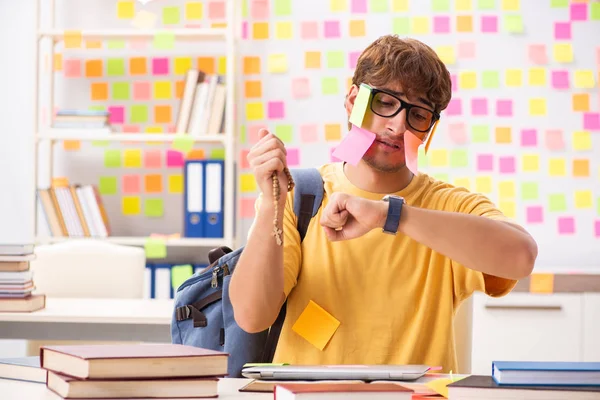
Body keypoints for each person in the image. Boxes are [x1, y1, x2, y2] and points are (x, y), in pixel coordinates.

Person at [229, 35, 537, 373]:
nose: (398, 125)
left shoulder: (446, 207)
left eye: (418, 114)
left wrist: (392, 215)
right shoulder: (297, 197)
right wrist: (272, 205)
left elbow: (521, 257)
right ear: (352, 100)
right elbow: (251, 315)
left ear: (428, 130)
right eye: (386, 102)